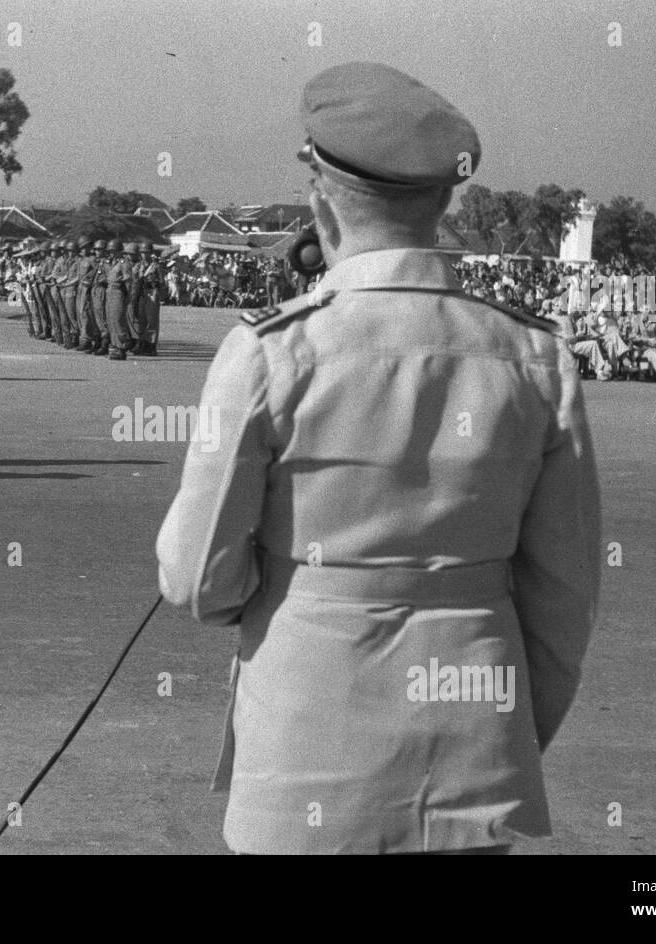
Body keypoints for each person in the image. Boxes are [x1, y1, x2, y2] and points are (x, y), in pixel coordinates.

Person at [156, 62, 601, 855]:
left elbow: (197, 582)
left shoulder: (270, 353)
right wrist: (503, 737)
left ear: (318, 195)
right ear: (442, 197)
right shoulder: (536, 357)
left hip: (307, 758)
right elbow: (564, 600)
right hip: (474, 758)